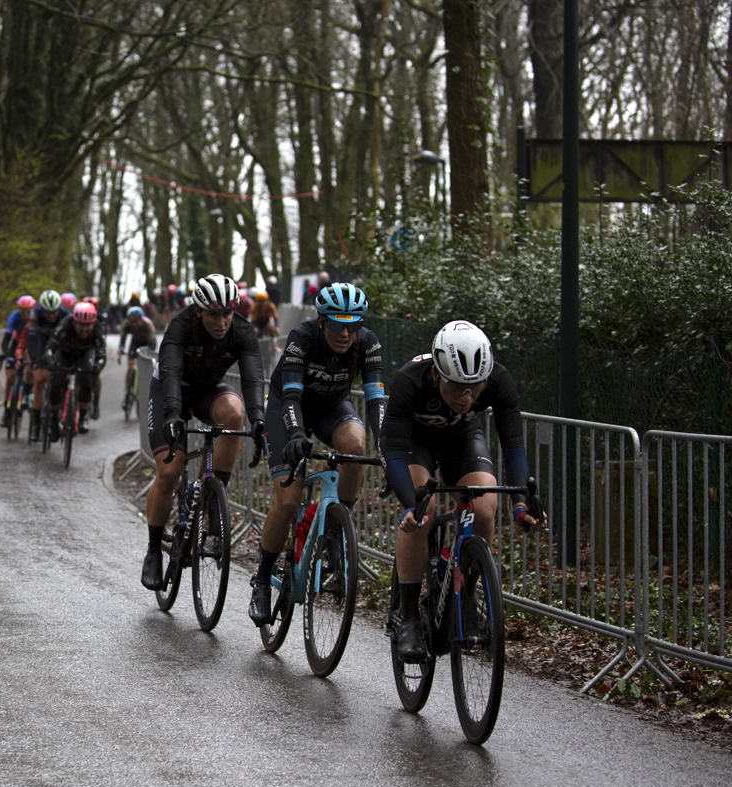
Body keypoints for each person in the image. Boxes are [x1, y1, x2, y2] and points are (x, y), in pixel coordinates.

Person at [381, 320, 543, 662]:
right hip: (415, 443)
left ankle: (463, 592)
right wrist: (411, 506)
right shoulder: (410, 381)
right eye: (458, 387)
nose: (468, 397)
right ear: (438, 375)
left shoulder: (498, 381)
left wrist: (520, 503)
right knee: (424, 508)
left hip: (463, 440)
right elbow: (393, 451)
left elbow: (513, 447)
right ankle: (408, 615)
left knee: (484, 508)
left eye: (476, 387)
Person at [247, 284, 385, 625]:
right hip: (287, 410)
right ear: (322, 322)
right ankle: (262, 579)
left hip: (331, 408)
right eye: (337, 324)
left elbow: (376, 400)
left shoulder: (367, 343)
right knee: (289, 501)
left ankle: (338, 527)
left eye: (353, 325)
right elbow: (291, 394)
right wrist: (295, 433)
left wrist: (388, 448)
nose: (345, 333)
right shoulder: (302, 337)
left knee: (356, 445)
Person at [140, 274, 266, 591]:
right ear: (198, 311)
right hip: (171, 391)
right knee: (169, 472)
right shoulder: (181, 325)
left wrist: (258, 419)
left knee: (234, 413)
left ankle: (212, 492)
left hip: (207, 391)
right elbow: (169, 371)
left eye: (227, 313)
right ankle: (154, 550)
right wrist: (171, 414)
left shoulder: (241, 330)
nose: (221, 322)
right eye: (213, 314)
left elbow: (252, 381)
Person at [44, 301, 106, 437]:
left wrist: (98, 367)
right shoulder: (65, 324)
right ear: (74, 322)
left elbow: (102, 355)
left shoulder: (97, 328)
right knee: (56, 383)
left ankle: (83, 417)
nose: (84, 329)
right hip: (65, 353)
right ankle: (54, 420)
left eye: (88, 325)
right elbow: (49, 348)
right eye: (81, 325)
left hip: (85, 354)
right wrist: (51, 361)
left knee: (86, 380)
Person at [27, 290, 69, 441]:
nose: (51, 316)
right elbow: (32, 338)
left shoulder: (65, 314)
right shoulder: (36, 314)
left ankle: (58, 417)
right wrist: (34, 360)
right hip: (42, 342)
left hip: (60, 344)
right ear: (42, 309)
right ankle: (36, 424)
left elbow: (70, 339)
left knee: (63, 378)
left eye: (54, 312)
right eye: (47, 312)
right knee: (39, 380)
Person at [0, 295, 37, 427]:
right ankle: (6, 411)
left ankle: (27, 393)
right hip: (17, 342)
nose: (26, 315)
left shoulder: (36, 318)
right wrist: (5, 354)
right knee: (10, 377)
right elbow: (6, 339)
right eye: (23, 312)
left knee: (29, 368)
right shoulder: (14, 317)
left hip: (31, 343)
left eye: (29, 311)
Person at [118, 306, 157, 391]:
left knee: (144, 365)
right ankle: (127, 390)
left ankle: (144, 386)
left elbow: (153, 342)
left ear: (141, 319)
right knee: (130, 365)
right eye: (132, 322)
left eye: (136, 321)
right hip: (135, 341)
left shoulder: (147, 324)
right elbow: (122, 338)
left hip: (147, 342)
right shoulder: (126, 324)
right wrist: (121, 348)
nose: (134, 324)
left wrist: (149, 352)